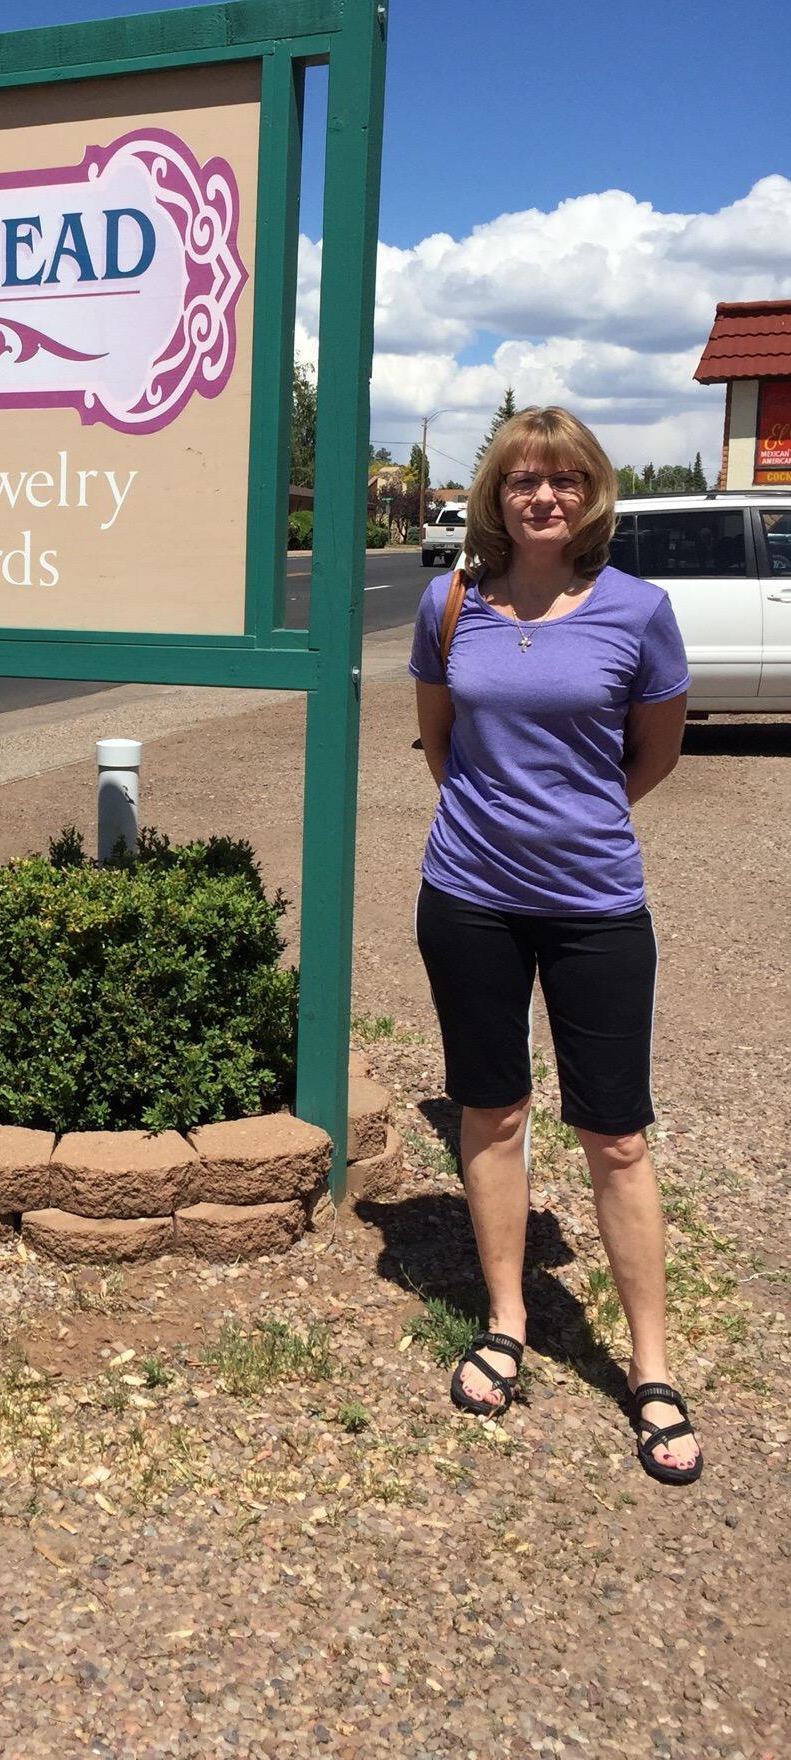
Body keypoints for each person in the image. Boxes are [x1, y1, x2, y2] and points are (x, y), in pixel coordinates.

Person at [410, 406, 702, 1485]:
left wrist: (574, 818)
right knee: (491, 1107)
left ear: (593, 493)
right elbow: (442, 740)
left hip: (595, 904)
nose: (545, 497)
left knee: (615, 1131)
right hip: (470, 896)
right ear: (496, 492)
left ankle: (653, 1369)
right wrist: (495, 825)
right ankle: (504, 1320)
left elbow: (654, 754)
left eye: (566, 480)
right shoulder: (450, 602)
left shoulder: (640, 610)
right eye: (525, 479)